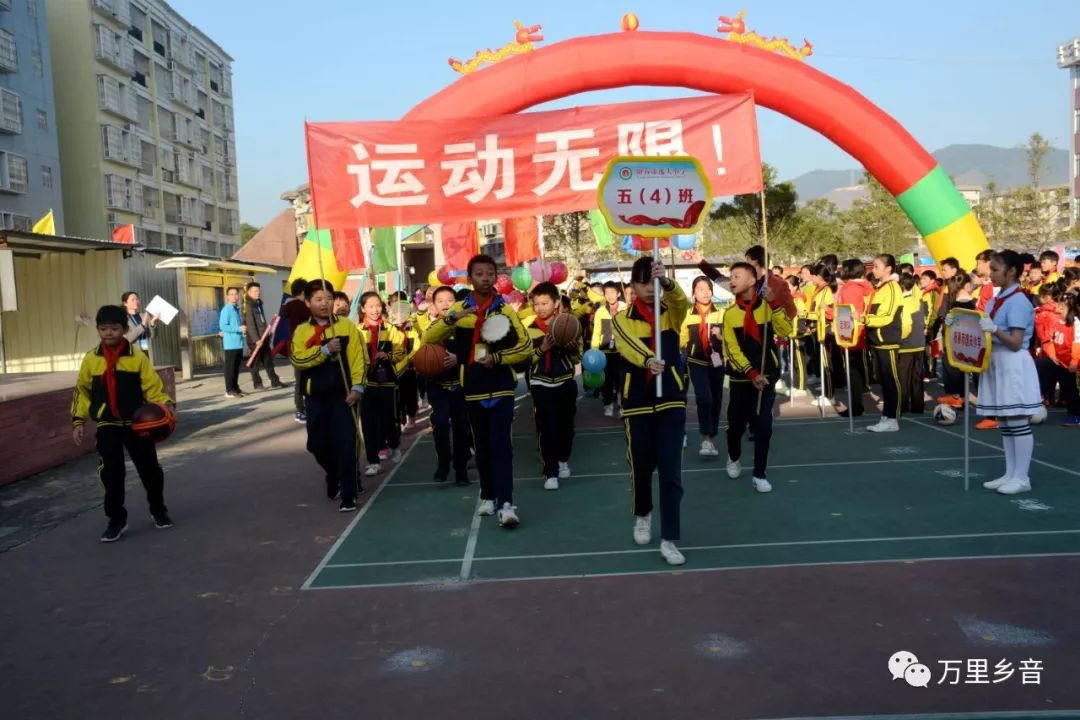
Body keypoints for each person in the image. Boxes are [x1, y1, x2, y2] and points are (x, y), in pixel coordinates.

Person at [424, 254, 533, 528]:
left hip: (501, 388)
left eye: (489, 273)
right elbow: (428, 338)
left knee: (501, 445)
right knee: (482, 447)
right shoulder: (459, 311)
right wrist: (452, 318)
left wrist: (497, 359)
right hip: (472, 388)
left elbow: (525, 347)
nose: (485, 278)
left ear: (496, 277)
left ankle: (507, 503)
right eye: (479, 273)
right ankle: (487, 494)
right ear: (470, 278)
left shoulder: (505, 310)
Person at [71, 304, 174, 542]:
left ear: (125, 329)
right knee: (110, 474)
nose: (109, 333)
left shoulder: (136, 357)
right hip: (108, 425)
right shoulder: (91, 359)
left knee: (150, 470)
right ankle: (116, 520)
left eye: (114, 329)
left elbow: (152, 386)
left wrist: (164, 406)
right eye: (104, 329)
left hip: (137, 424)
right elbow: (82, 391)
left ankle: (158, 510)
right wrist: (78, 420)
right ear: (98, 330)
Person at [614, 256, 690, 566]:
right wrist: (648, 359)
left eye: (653, 281)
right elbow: (627, 345)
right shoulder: (622, 318)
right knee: (641, 466)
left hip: (671, 399)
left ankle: (669, 538)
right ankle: (643, 514)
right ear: (632, 285)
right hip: (638, 403)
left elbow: (682, 303)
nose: (649, 288)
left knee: (671, 472)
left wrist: (668, 282)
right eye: (643, 282)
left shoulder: (671, 313)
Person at [949, 250, 1042, 495]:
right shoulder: (994, 300)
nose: (991, 275)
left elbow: (1015, 341)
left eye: (996, 270)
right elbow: (981, 330)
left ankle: (1022, 477)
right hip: (996, 362)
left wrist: (994, 329)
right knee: (1005, 421)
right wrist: (958, 324)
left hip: (1013, 363)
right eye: (990, 269)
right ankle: (1010, 473)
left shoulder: (1019, 301)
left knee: (1017, 420)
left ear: (1012, 271)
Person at [290, 280, 366, 511]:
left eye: (329, 298)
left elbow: (358, 357)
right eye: (319, 299)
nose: (325, 303)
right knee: (317, 445)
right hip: (315, 397)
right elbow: (298, 360)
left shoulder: (346, 327)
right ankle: (333, 474)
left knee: (346, 443)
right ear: (308, 302)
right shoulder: (302, 331)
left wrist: (357, 388)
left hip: (343, 397)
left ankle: (349, 494)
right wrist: (323, 351)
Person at [723, 262, 795, 494]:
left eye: (737, 276)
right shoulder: (729, 314)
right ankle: (733, 456)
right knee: (735, 426)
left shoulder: (768, 307)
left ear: (753, 281)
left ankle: (759, 473)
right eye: (730, 276)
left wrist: (775, 303)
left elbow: (785, 331)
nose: (731, 280)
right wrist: (750, 373)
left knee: (763, 426)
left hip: (766, 377)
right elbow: (731, 349)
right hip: (741, 378)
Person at [526, 282, 581, 490]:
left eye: (545, 303)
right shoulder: (528, 329)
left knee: (566, 426)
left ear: (556, 303)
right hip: (540, 383)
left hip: (565, 381)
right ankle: (550, 471)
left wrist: (571, 348)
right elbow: (523, 360)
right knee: (546, 427)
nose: (540, 308)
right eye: (536, 304)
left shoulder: (569, 324)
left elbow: (577, 358)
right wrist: (542, 349)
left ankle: (563, 459)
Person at [423, 285, 472, 485]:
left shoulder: (466, 328)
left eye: (450, 300)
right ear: (433, 306)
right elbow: (424, 351)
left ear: (457, 303)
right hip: (438, 386)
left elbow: (475, 352)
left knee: (462, 428)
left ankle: (461, 469)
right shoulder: (432, 330)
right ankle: (444, 462)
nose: (445, 304)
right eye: (440, 301)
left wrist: (458, 358)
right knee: (441, 423)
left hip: (461, 385)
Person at [357, 291, 406, 476]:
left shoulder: (391, 329)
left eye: (377, 305)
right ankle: (373, 461)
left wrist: (388, 356)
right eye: (370, 306)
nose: (375, 310)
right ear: (362, 308)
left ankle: (393, 444)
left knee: (388, 420)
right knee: (368, 423)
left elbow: (401, 351)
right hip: (365, 382)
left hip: (386, 380)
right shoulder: (357, 331)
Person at [679, 276, 724, 457]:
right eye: (700, 289)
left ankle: (711, 438)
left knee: (716, 399)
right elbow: (682, 338)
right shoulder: (687, 315)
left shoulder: (721, 313)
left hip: (717, 362)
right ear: (693, 293)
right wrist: (681, 351)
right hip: (696, 361)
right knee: (704, 398)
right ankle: (706, 438)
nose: (705, 293)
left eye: (708, 289)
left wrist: (720, 335)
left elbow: (729, 339)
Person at [864, 254, 905, 432]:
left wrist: (865, 319)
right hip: (878, 341)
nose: (873, 270)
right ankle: (886, 416)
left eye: (877, 266)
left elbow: (887, 316)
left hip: (888, 340)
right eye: (873, 266)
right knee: (884, 381)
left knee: (891, 380)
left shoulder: (892, 287)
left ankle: (893, 418)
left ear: (888, 268)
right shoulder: (880, 288)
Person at [835, 259, 875, 417]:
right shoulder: (867, 286)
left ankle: (855, 406)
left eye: (844, 268)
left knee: (852, 372)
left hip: (851, 332)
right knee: (856, 370)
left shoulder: (850, 288)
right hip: (862, 330)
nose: (841, 270)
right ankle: (857, 404)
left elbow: (846, 311)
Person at [278, 278, 312, 422]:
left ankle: (301, 409)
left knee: (300, 380)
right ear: (304, 292)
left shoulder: (289, 306)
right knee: (303, 380)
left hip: (295, 347)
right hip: (303, 346)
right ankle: (301, 409)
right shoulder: (301, 307)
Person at [591, 281, 625, 417]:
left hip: (621, 353)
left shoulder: (625, 308)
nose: (610, 296)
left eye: (612, 292)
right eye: (607, 293)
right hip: (604, 353)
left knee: (621, 381)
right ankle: (608, 404)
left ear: (618, 293)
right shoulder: (600, 311)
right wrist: (594, 350)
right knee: (607, 381)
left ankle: (622, 405)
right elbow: (596, 332)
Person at [242, 282, 283, 391]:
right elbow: (250, 324)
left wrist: (267, 333)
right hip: (255, 339)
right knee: (255, 362)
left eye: (258, 291)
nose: (257, 293)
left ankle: (275, 381)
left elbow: (261, 321)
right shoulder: (249, 305)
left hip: (263, 337)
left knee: (268, 360)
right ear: (249, 292)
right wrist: (256, 340)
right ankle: (257, 384)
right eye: (255, 291)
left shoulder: (258, 303)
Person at [219, 287, 246, 398]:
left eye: (236, 294)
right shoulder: (227, 309)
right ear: (227, 296)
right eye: (231, 294)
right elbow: (223, 326)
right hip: (230, 344)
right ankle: (229, 390)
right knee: (230, 368)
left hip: (238, 343)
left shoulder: (236, 309)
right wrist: (239, 328)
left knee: (236, 367)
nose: (234, 296)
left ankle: (235, 387)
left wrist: (242, 330)